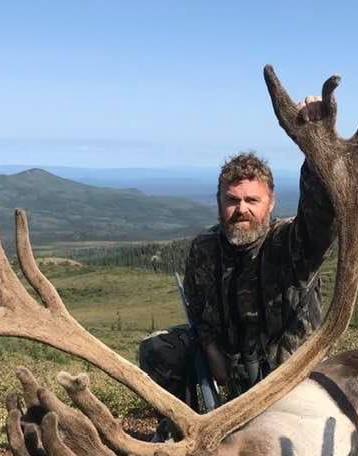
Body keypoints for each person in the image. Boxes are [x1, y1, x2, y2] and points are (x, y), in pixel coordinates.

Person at [138, 97, 335, 412]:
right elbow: (199, 314)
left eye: (251, 200)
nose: (241, 209)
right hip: (229, 367)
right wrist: (212, 352)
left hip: (292, 376)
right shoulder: (204, 249)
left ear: (270, 203)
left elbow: (322, 214)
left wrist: (316, 146)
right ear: (218, 202)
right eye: (232, 200)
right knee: (157, 349)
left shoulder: (292, 243)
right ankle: (186, 421)